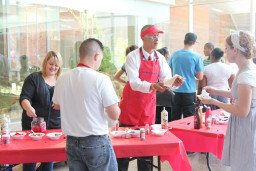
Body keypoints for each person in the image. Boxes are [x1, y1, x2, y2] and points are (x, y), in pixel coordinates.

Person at [118, 25, 183, 171]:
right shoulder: (132, 57)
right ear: (143, 37)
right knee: (123, 150)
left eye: (157, 36)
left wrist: (174, 83)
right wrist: (154, 86)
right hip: (130, 107)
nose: (156, 39)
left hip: (147, 107)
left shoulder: (159, 58)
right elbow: (134, 83)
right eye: (153, 35)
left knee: (146, 150)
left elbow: (166, 80)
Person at [52, 38, 120, 171]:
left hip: (71, 142)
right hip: (96, 142)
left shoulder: (62, 78)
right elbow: (114, 114)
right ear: (97, 56)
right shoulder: (101, 79)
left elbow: (57, 105)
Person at [201, 31, 256, 170]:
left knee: (244, 163)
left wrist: (214, 102)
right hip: (246, 122)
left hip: (246, 123)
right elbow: (237, 94)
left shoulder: (245, 75)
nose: (225, 51)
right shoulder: (246, 69)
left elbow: (242, 110)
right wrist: (215, 91)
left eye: (226, 48)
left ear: (235, 50)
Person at [19, 51, 62, 171]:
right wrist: (28, 108)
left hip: (54, 125)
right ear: (45, 63)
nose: (53, 67)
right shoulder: (34, 78)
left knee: (49, 158)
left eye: (56, 65)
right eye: (51, 64)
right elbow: (24, 97)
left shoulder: (61, 81)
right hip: (33, 125)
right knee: (30, 157)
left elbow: (69, 100)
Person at [169, 32, 204, 121]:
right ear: (194, 43)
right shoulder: (196, 56)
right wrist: (192, 72)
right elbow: (200, 77)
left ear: (184, 41)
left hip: (175, 91)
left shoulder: (174, 54)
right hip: (189, 91)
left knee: (175, 118)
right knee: (189, 119)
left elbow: (171, 72)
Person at [155, 47, 173, 124]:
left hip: (157, 98)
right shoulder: (167, 66)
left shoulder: (155, 65)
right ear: (166, 55)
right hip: (167, 98)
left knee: (157, 121)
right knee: (168, 122)